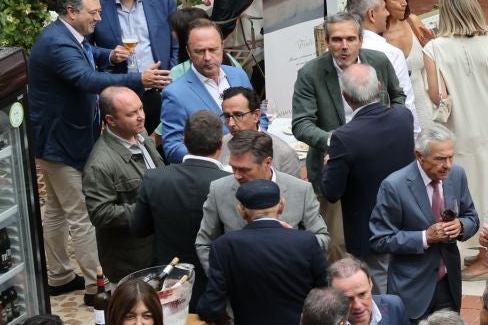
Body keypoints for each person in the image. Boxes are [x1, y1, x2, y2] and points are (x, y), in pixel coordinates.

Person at [28, 0, 159, 293]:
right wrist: (138, 78)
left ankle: (59, 277)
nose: (99, 18)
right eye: (94, 12)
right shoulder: (57, 44)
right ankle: (96, 284)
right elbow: (85, 78)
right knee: (82, 213)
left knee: (58, 209)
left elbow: (89, 55)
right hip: (59, 142)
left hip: (61, 138)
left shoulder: (70, 35)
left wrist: (110, 57)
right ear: (72, 12)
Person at [193, 179, 330, 325]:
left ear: (241, 210)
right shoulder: (306, 241)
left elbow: (213, 306)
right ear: (281, 206)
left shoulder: (225, 246)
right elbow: (324, 292)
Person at [421, 0, 488, 265]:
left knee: (464, 187)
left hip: (458, 128)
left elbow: (438, 96)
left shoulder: (433, 48)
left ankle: (466, 249)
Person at [292, 11, 406, 203]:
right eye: (337, 40)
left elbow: (397, 97)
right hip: (334, 167)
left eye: (351, 39)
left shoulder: (379, 61)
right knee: (337, 230)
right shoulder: (310, 73)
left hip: (379, 163)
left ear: (361, 40)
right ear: (327, 42)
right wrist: (335, 141)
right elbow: (301, 124)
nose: (344, 46)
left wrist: (390, 129)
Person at [321, 63, 420, 278]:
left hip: (370, 232)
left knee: (381, 297)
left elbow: (331, 192)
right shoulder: (403, 117)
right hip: (407, 222)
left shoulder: (344, 137)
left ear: (345, 97)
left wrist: (329, 163)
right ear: (379, 86)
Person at [372, 127, 481, 320]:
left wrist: (461, 226)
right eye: (440, 159)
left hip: (448, 284)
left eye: (450, 157)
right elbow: (380, 239)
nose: (447, 165)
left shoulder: (456, 175)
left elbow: (472, 217)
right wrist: (425, 237)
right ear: (419, 156)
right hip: (412, 288)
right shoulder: (394, 186)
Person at [130, 107, 226, 306]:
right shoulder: (230, 184)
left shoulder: (155, 178)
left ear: (184, 141)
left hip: (167, 279)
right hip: (214, 281)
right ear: (220, 144)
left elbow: (139, 229)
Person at [194, 129, 328, 272]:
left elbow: (322, 238)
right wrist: (222, 280)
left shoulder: (301, 190)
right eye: (234, 168)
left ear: (267, 163)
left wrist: (295, 241)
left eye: (244, 170)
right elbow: (204, 243)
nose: (237, 176)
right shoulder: (219, 190)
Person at [91, 0, 179, 127]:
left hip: (160, 89)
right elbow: (84, 49)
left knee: (163, 143)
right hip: (121, 94)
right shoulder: (96, 3)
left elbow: (176, 41)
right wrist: (110, 56)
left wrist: (171, 73)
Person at [82, 85, 164, 278]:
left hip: (155, 250)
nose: (141, 116)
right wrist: (149, 208)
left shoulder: (140, 135)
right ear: (111, 120)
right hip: (131, 265)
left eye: (141, 109)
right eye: (131, 113)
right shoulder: (100, 165)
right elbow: (100, 214)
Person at [155, 19, 247, 164]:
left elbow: (259, 114)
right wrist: (213, 159)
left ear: (222, 46)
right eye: (199, 51)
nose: (207, 57)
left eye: (213, 49)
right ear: (188, 52)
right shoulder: (175, 94)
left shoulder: (238, 75)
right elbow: (172, 148)